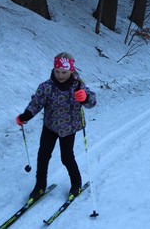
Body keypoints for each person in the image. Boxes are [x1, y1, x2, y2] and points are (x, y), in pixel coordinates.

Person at [16, 52, 96, 200]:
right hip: (50, 126)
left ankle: (76, 183)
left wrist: (85, 98)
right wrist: (25, 116)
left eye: (64, 72)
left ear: (71, 70)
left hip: (69, 128)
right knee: (43, 156)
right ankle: (40, 186)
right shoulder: (47, 86)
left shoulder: (78, 86)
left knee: (66, 157)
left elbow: (92, 101)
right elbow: (36, 103)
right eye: (57, 71)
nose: (60, 75)